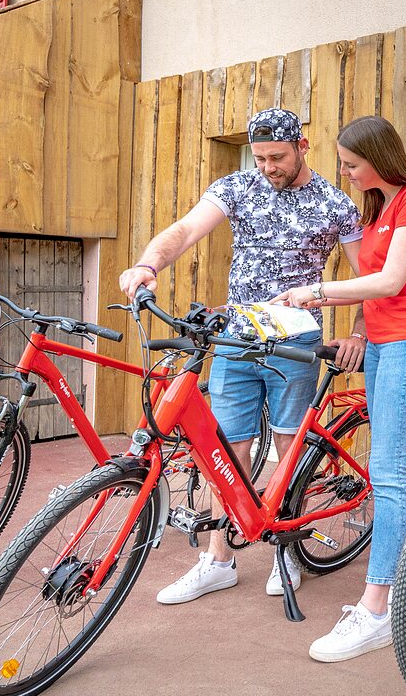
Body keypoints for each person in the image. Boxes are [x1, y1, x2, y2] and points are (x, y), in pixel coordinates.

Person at [119, 107, 366, 605]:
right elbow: (185, 231)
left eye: (278, 157)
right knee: (227, 449)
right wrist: (149, 262)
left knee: (288, 447)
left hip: (295, 344)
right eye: (260, 158)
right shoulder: (238, 187)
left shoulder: (335, 203)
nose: (269, 167)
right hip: (236, 338)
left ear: (302, 147)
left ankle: (286, 554)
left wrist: (360, 331)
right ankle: (217, 559)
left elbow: (365, 276)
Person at [274, 115, 406, 662]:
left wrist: (317, 292)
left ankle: (376, 608)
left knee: (388, 469)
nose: (345, 173)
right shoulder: (380, 208)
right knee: (394, 465)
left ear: (378, 157)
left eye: (351, 164)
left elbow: (391, 282)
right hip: (383, 342)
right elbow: (375, 285)